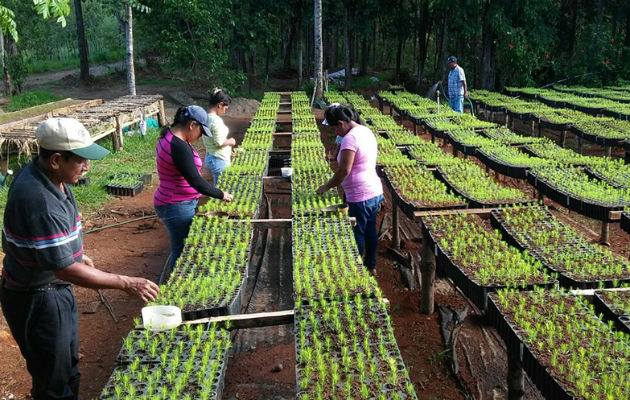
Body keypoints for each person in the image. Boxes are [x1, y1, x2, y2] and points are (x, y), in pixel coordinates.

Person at [0, 117, 159, 400]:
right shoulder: (37, 198)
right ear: (57, 159)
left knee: (68, 367)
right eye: (81, 160)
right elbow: (64, 269)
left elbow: (53, 247)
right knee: (53, 382)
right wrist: (125, 282)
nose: (88, 167)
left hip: (52, 290)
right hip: (37, 298)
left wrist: (76, 253)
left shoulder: (49, 177)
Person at [155, 105, 233, 272]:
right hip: (176, 204)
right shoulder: (178, 146)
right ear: (192, 125)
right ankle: (177, 286)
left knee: (180, 246)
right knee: (182, 249)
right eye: (200, 132)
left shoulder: (167, 136)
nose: (199, 137)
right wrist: (220, 194)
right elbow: (195, 181)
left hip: (171, 201)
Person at [316, 104, 384, 275]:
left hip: (359, 195)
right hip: (374, 191)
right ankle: (371, 265)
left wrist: (326, 186)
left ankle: (356, 272)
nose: (334, 133)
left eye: (334, 128)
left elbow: (344, 171)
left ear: (341, 123)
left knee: (357, 232)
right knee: (370, 230)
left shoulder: (350, 139)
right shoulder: (365, 131)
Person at [203, 89, 235, 184]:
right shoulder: (215, 121)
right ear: (220, 105)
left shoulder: (206, 117)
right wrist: (231, 141)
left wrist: (228, 151)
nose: (224, 111)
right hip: (218, 160)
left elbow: (214, 140)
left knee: (220, 188)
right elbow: (219, 143)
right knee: (222, 191)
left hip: (212, 156)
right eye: (225, 108)